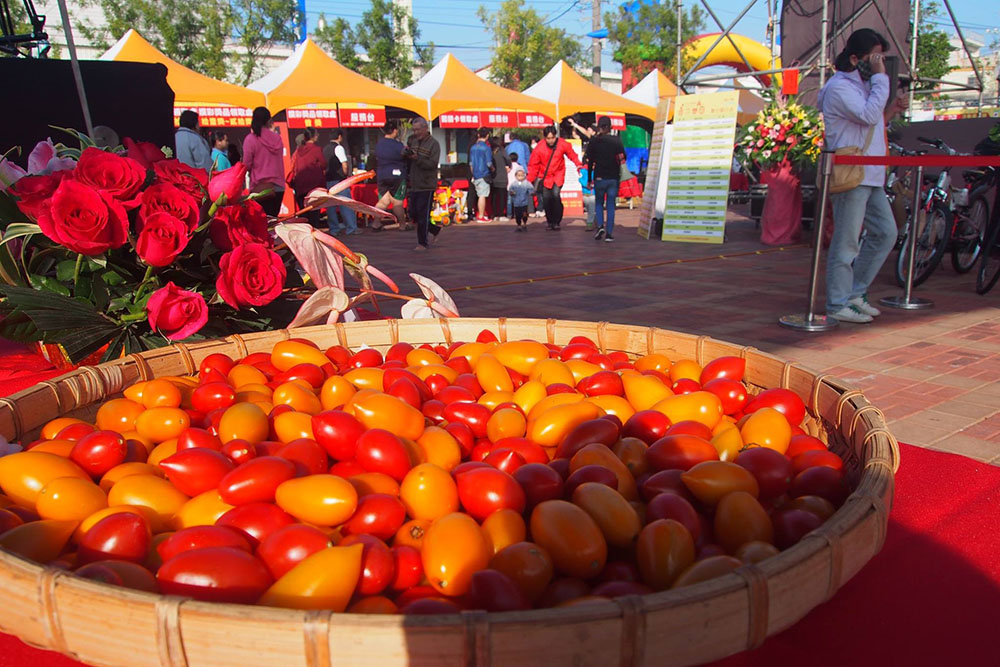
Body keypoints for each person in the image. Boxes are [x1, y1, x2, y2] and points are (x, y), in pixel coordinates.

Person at [819, 28, 908, 323]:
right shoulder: (839, 87)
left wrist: (892, 109)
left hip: (870, 174)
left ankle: (855, 293)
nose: (878, 61)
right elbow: (867, 116)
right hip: (850, 174)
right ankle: (837, 303)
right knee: (846, 242)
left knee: (886, 233)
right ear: (856, 58)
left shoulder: (861, 86)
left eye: (880, 55)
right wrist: (882, 77)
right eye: (874, 56)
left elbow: (869, 124)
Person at [526, 125, 582, 231]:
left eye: (552, 138)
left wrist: (578, 164)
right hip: (545, 176)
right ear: (544, 138)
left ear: (556, 136)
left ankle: (557, 221)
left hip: (558, 174)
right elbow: (533, 166)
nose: (551, 141)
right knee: (547, 199)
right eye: (548, 138)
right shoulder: (539, 148)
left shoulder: (562, 144)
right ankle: (550, 221)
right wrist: (529, 180)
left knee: (556, 196)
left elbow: (572, 155)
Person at [584, 115, 626, 242]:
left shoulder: (594, 141)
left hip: (599, 177)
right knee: (611, 205)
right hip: (613, 177)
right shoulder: (616, 141)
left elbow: (590, 161)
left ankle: (600, 225)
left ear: (599, 127)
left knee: (598, 203)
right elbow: (623, 157)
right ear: (610, 127)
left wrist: (590, 179)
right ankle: (609, 233)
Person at [406, 118, 442, 251]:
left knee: (423, 214)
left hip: (426, 184)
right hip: (414, 183)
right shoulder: (413, 141)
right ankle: (435, 229)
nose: (416, 133)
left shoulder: (434, 144)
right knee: (413, 213)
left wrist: (418, 159)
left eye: (418, 130)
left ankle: (422, 242)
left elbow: (432, 164)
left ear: (425, 129)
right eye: (414, 130)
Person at [243, 107, 286, 217]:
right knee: (272, 220)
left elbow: (246, 164)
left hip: (260, 188)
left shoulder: (251, 139)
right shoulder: (277, 138)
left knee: (260, 222)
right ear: (269, 121)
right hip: (279, 186)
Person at [373, 120, 410, 231]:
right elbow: (406, 154)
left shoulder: (378, 144)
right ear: (394, 131)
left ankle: (376, 223)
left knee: (384, 201)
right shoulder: (398, 145)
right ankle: (402, 225)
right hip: (396, 175)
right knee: (397, 201)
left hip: (382, 175)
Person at [288, 127, 326, 227]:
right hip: (314, 188)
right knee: (314, 215)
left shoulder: (298, 152)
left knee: (304, 215)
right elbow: (323, 164)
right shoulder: (316, 149)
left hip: (300, 187)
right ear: (313, 136)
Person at [324, 129, 359, 236]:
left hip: (329, 180)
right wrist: (345, 175)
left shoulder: (325, 149)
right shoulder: (338, 148)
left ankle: (334, 229)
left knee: (331, 206)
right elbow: (344, 163)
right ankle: (351, 228)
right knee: (345, 204)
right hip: (339, 180)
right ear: (339, 136)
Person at [469, 127, 493, 223]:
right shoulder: (486, 148)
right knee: (482, 195)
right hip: (484, 173)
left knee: (479, 194)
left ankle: (481, 214)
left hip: (475, 174)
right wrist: (493, 169)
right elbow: (488, 163)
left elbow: (471, 163)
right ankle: (481, 215)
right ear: (487, 136)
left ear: (478, 135)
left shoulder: (473, 147)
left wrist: (473, 174)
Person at [490, 136, 511, 222]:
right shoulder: (502, 150)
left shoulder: (490, 151)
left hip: (493, 177)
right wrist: (508, 166)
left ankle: (495, 214)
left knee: (494, 197)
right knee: (502, 196)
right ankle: (502, 214)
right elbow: (508, 159)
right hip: (502, 176)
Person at [508, 167, 533, 232]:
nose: (520, 177)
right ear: (516, 176)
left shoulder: (527, 183)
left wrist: (531, 192)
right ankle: (519, 225)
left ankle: (524, 224)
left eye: (522, 175)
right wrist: (511, 193)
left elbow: (531, 189)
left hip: (524, 202)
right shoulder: (514, 184)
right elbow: (510, 190)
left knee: (524, 214)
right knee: (518, 215)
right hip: (516, 203)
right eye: (519, 175)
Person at [580, 164, 595, 232]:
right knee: (589, 209)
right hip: (585, 193)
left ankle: (589, 223)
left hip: (593, 194)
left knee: (591, 210)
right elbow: (580, 179)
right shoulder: (582, 170)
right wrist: (587, 185)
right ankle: (596, 222)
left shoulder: (596, 170)